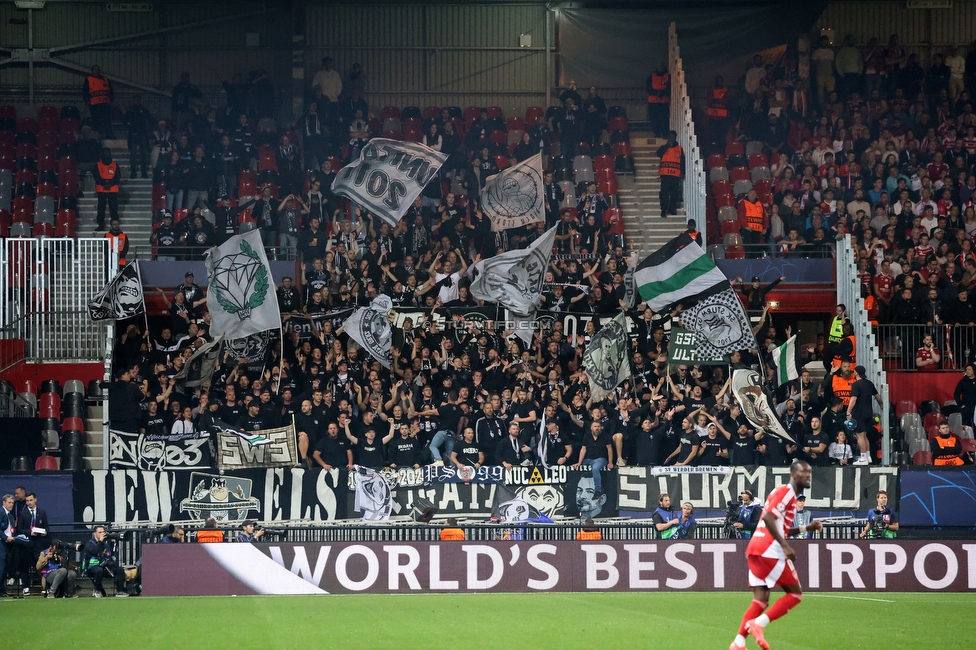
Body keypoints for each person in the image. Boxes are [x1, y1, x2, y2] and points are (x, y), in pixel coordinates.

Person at [730, 460, 823, 650]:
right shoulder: (787, 493)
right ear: (793, 475)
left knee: (761, 599)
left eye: (809, 472)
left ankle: (738, 643)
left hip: (756, 548)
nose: (808, 475)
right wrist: (785, 546)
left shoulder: (781, 493)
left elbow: (780, 528)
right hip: (769, 550)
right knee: (795, 594)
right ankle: (758, 624)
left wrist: (807, 527)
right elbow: (767, 518)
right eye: (804, 472)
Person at [846, 365, 884, 465]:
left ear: (856, 373)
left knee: (859, 436)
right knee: (865, 435)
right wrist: (882, 407)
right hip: (868, 414)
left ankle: (863, 458)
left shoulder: (856, 385)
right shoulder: (869, 384)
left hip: (859, 413)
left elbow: (853, 399)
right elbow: (878, 397)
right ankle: (868, 457)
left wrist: (848, 412)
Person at [83, 525, 128, 597]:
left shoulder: (105, 544)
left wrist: (112, 543)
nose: (102, 534)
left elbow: (109, 555)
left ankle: (120, 591)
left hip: (104, 567)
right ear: (95, 534)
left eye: (103, 532)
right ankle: (97, 590)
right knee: (98, 570)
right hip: (91, 568)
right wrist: (100, 541)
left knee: (120, 570)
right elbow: (95, 551)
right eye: (99, 532)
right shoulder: (90, 543)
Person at [572, 421, 614, 499]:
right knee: (577, 469)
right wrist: (579, 462)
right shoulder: (587, 435)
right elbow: (583, 449)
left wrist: (610, 462)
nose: (597, 428)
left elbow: (609, 449)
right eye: (595, 426)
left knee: (595, 468)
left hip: (600, 459)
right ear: (591, 428)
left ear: (601, 427)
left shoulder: (605, 436)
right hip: (588, 459)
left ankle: (598, 490)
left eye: (598, 426)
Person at [657, 130, 684, 218]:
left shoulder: (679, 149)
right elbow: (658, 154)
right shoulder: (664, 147)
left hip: (675, 175)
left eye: (672, 136)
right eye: (670, 136)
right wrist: (667, 146)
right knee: (664, 193)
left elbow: (682, 162)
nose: (671, 138)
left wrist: (682, 172)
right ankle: (664, 210)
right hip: (665, 175)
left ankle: (672, 209)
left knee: (674, 193)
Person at [83, 65, 114, 138]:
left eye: (97, 70)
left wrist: (111, 99)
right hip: (95, 104)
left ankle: (109, 135)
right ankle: (97, 136)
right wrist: (87, 101)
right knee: (96, 121)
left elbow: (110, 90)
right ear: (92, 71)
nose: (96, 71)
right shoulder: (89, 79)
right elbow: (85, 91)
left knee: (107, 120)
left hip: (105, 103)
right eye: (95, 70)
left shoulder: (105, 79)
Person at [95, 147, 121, 231]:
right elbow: (96, 176)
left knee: (113, 208)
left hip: (112, 189)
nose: (106, 155)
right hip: (101, 190)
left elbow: (117, 176)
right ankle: (101, 224)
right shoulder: (98, 165)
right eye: (105, 153)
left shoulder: (115, 164)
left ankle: (115, 225)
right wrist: (104, 184)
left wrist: (110, 183)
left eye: (108, 153)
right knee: (101, 208)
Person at [645, 62, 670, 136]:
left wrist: (663, 93)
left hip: (664, 102)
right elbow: (648, 88)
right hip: (653, 102)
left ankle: (664, 133)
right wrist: (658, 93)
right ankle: (657, 133)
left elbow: (670, 87)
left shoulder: (668, 76)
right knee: (654, 119)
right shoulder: (651, 77)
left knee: (664, 119)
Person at [0, 494, 15, 598]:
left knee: (5, 568)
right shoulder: (0, 513)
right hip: (1, 543)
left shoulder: (10, 515)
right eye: (9, 502)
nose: (11, 505)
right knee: (1, 567)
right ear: (3, 503)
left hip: (9, 544)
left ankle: (2, 590)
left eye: (12, 503)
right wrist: (5, 538)